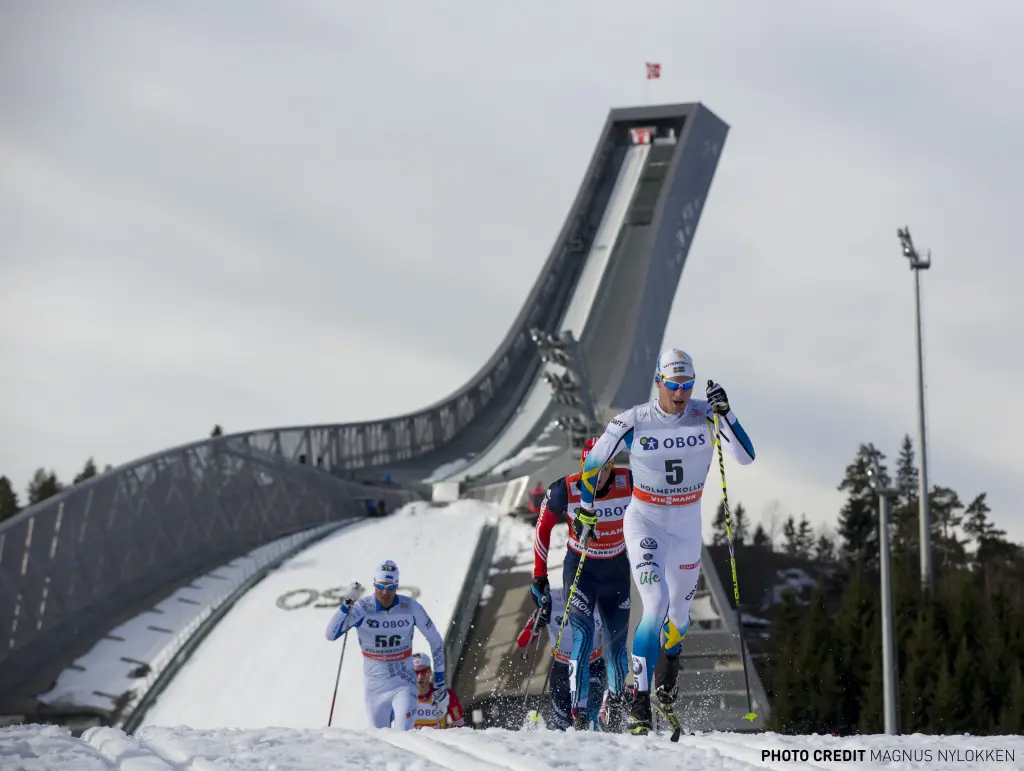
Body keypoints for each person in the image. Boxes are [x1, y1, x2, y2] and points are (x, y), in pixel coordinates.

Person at [576, 348, 755, 735]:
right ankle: (640, 703)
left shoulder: (706, 413)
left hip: (686, 529)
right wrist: (587, 509)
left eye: (687, 385)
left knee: (678, 619)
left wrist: (728, 413)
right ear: (658, 382)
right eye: (674, 385)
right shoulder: (634, 420)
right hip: (646, 523)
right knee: (654, 604)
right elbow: (593, 462)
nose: (681, 393)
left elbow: (745, 457)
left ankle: (670, 658)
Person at [531, 437, 633, 731]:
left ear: (611, 465)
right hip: (581, 569)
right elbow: (542, 529)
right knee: (583, 636)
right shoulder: (566, 488)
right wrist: (539, 576)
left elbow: (655, 513)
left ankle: (614, 705)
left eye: (599, 469)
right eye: (587, 468)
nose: (592, 475)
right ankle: (578, 711)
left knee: (615, 646)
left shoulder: (630, 482)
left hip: (615, 569)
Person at [325, 560, 449, 730]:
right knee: (382, 742)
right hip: (375, 687)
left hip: (404, 683)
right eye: (381, 586)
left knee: (404, 736)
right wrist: (346, 605)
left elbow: (435, 641)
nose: (385, 592)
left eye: (390, 587)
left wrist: (440, 683)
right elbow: (331, 634)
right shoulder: (362, 608)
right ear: (374, 584)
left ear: (397, 586)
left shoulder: (410, 607)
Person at [518, 585, 608, 730]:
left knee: (591, 725)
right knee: (562, 728)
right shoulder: (552, 600)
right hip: (561, 669)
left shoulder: (599, 599)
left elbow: (618, 636)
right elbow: (522, 641)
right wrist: (536, 623)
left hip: (591, 667)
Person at [410, 652, 466, 728]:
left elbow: (460, 726)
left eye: (424, 672)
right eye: (415, 673)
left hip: (436, 739)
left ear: (430, 672)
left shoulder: (445, 695)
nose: (420, 677)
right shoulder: (402, 697)